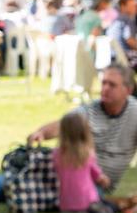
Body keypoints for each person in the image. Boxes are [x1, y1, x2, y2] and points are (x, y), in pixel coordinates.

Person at [28, 65, 137, 194]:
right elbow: (64, 124)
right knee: (17, 182)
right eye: (104, 83)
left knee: (27, 186)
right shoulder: (91, 110)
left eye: (112, 85)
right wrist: (41, 133)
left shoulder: (134, 112)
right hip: (75, 175)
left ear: (128, 90)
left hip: (97, 182)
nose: (105, 88)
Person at [52, 111, 113, 213]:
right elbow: (98, 177)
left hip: (65, 206)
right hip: (87, 202)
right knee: (108, 203)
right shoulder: (88, 153)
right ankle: (100, 209)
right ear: (84, 131)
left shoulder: (57, 154)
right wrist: (105, 181)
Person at [107, 0, 137, 68]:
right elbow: (130, 40)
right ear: (123, 6)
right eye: (133, 6)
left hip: (113, 56)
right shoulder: (127, 19)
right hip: (125, 56)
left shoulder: (116, 20)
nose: (136, 8)